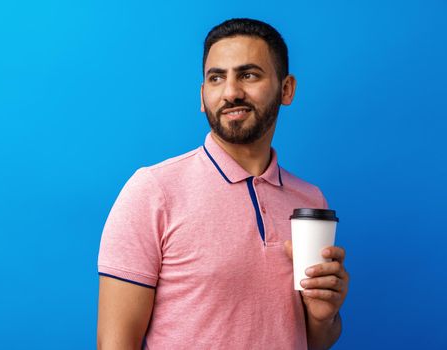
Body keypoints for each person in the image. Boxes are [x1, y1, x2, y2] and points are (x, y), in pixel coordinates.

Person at [97, 18, 349, 350]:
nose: (231, 92)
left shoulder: (309, 200)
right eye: (217, 78)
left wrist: (323, 316)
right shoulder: (153, 191)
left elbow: (310, 340)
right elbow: (115, 343)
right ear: (203, 95)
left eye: (249, 75)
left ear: (286, 89)